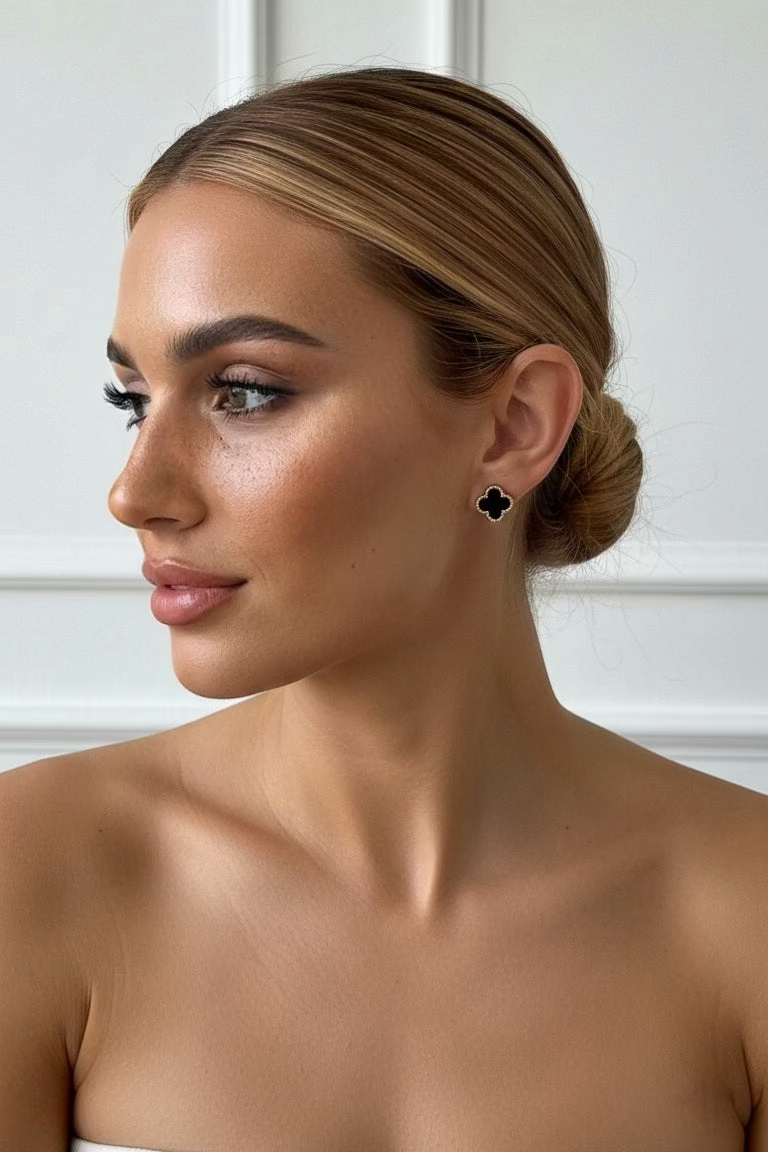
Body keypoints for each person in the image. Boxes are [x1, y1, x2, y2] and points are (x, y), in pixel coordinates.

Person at [1, 65, 767, 1152]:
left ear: (513, 426)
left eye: (245, 392)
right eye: (132, 400)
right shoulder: (33, 869)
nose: (135, 492)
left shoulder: (748, 917)